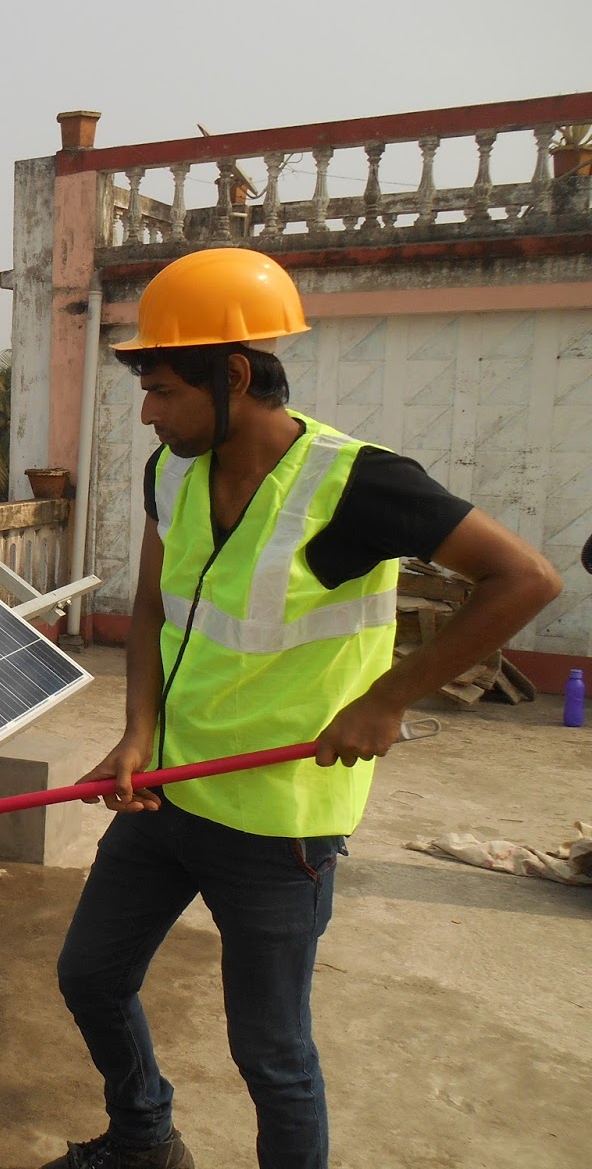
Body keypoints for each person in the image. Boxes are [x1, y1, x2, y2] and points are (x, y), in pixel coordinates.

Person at [44, 248, 561, 1169]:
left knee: (271, 1054)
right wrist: (136, 734)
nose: (147, 413)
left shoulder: (357, 482)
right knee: (90, 974)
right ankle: (144, 1136)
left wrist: (388, 698)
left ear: (233, 375)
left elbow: (525, 578)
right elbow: (157, 609)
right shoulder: (173, 471)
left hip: (280, 822)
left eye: (162, 390)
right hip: (168, 791)